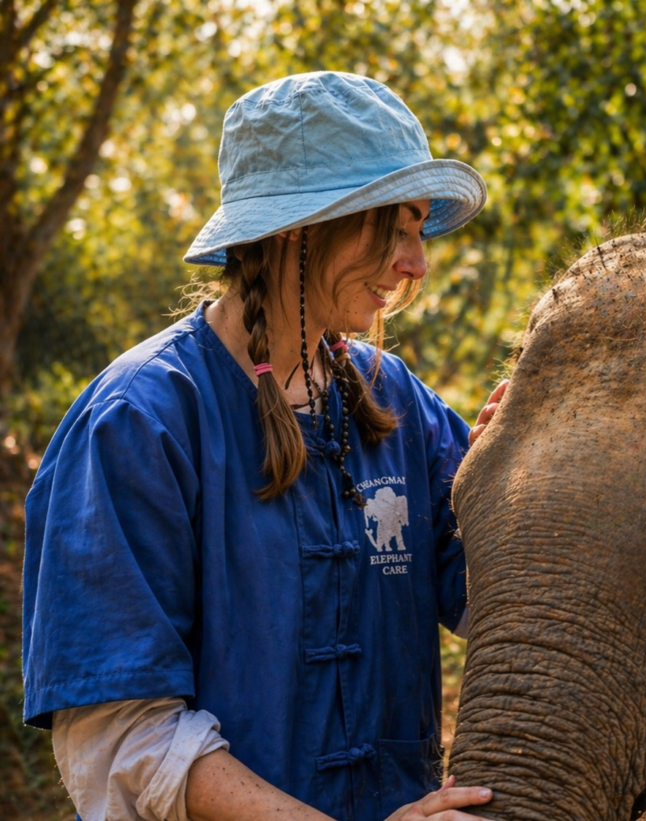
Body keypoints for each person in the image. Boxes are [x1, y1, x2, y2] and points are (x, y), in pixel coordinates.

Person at [21, 71, 506, 821]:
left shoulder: (394, 398)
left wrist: (522, 468)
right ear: (299, 228)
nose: (418, 264)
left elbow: (493, 598)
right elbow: (124, 736)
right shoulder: (138, 421)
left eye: (419, 232)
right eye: (394, 228)